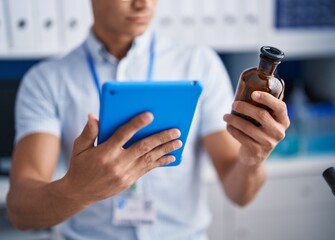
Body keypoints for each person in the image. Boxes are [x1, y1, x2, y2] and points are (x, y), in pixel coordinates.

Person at [6, 0, 290, 239]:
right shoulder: (45, 80)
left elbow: (239, 194)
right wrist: (78, 190)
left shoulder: (200, 64)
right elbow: (21, 211)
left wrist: (253, 159)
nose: (143, 4)